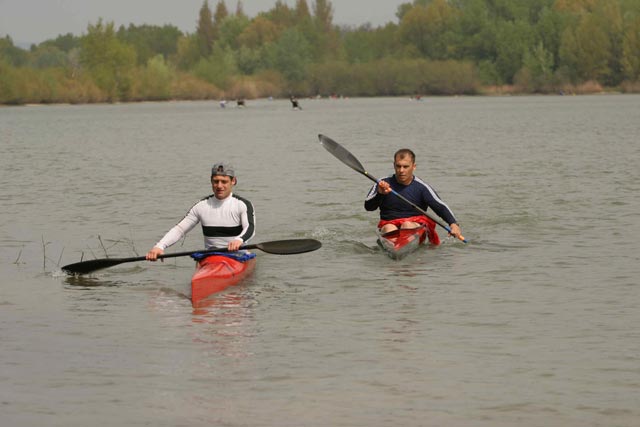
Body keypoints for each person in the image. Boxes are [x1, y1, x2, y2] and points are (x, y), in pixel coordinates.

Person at [146, 163, 256, 261]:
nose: (219, 186)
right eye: (216, 181)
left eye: (224, 181)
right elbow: (180, 229)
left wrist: (239, 240)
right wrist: (159, 246)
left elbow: (250, 228)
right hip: (211, 257)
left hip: (238, 256)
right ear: (211, 181)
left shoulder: (243, 204)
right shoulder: (201, 206)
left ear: (233, 181)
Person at [364, 148, 462, 240]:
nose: (401, 170)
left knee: (407, 225)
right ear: (394, 165)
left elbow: (439, 206)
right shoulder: (382, 183)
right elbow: (368, 207)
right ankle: (396, 247)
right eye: (398, 166)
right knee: (389, 228)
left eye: (405, 167)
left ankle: (402, 245)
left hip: (414, 224)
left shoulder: (421, 187)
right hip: (389, 224)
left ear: (414, 166)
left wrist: (453, 224)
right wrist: (380, 193)